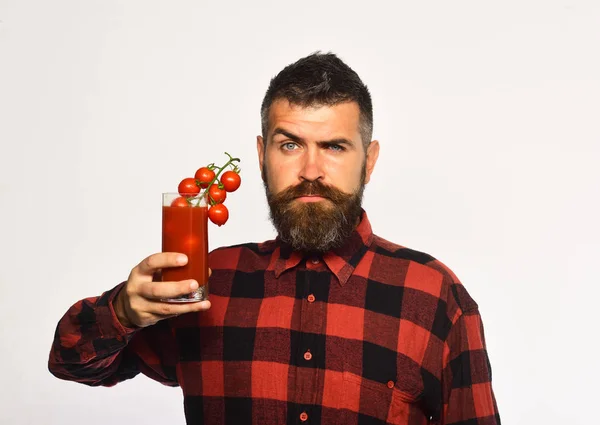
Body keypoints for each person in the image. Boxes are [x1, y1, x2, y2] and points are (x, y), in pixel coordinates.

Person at [49, 52, 501, 425]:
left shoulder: (433, 295)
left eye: (334, 147)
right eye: (290, 145)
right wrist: (122, 312)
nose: (310, 171)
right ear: (263, 156)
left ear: (369, 160)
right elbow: (72, 363)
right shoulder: (209, 282)